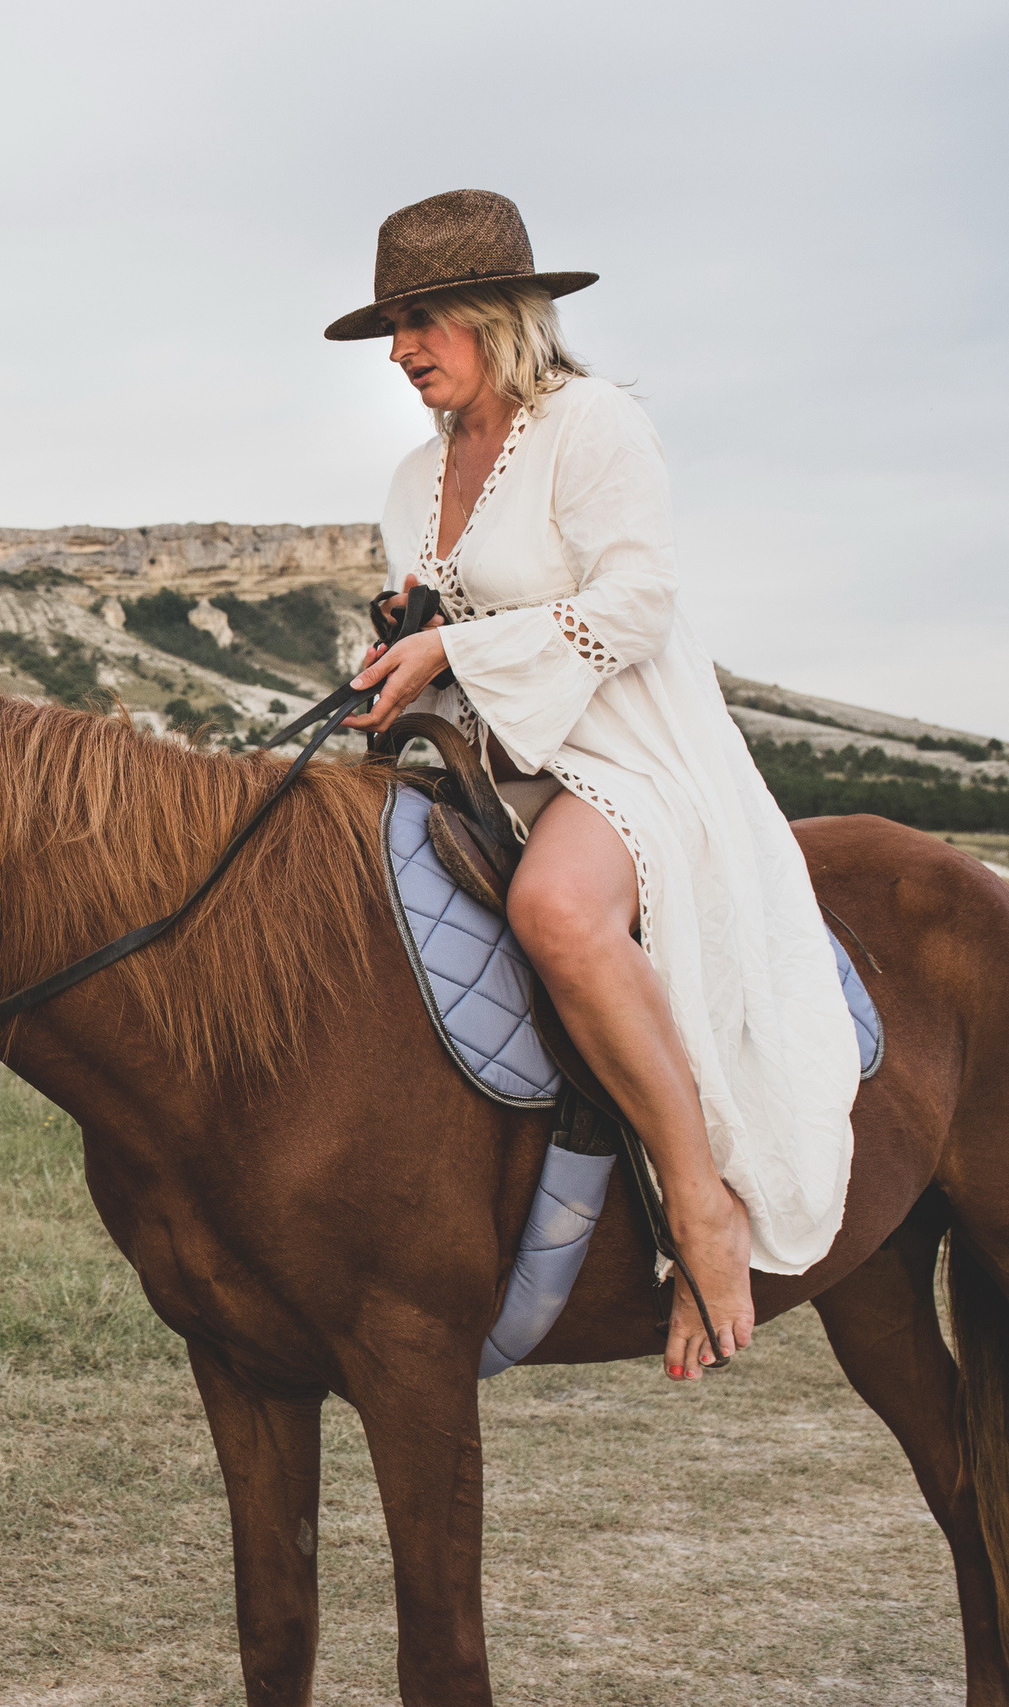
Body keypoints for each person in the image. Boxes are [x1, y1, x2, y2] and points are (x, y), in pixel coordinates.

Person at [332, 189, 859, 1381]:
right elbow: (437, 625)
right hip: (494, 754)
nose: (403, 352)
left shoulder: (592, 425)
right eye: (392, 330)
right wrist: (396, 665)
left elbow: (636, 603)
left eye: (421, 321)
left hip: (630, 748)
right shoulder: (413, 478)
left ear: (494, 313)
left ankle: (698, 1206)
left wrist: (455, 648)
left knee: (557, 914)